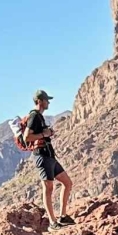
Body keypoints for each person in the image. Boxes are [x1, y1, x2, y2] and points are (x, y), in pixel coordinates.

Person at [24, 90, 73, 225]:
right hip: (42, 156)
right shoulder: (34, 116)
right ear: (40, 101)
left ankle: (63, 216)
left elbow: (41, 134)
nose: (48, 103)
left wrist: (48, 133)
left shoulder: (40, 117)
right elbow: (27, 137)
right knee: (48, 188)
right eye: (46, 100)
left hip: (49, 156)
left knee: (67, 183)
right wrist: (43, 135)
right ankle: (52, 222)